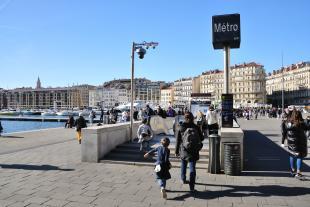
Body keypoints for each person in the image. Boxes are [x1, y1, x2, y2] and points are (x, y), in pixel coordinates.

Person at [175, 112, 203, 192]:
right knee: (192, 168)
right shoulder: (196, 127)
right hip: (194, 150)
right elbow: (202, 138)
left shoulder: (181, 126)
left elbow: (178, 140)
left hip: (184, 149)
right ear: (192, 118)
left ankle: (183, 179)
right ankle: (192, 187)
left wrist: (176, 151)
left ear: (185, 118)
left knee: (183, 164)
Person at [282, 109, 309, 179]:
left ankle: (292, 170)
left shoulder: (288, 123)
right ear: (300, 115)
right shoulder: (301, 123)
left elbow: (284, 130)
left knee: (291, 155)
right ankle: (298, 172)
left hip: (291, 143)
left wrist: (283, 140)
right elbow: (308, 128)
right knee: (299, 156)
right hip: (300, 143)